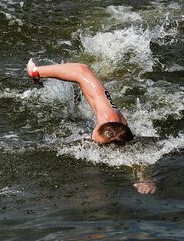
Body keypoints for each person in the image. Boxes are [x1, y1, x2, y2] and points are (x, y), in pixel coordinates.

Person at [26, 59, 156, 194]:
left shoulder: (108, 122)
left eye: (94, 137)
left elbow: (83, 69)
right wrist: (146, 179)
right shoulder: (110, 116)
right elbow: (82, 70)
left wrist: (35, 72)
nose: (91, 137)